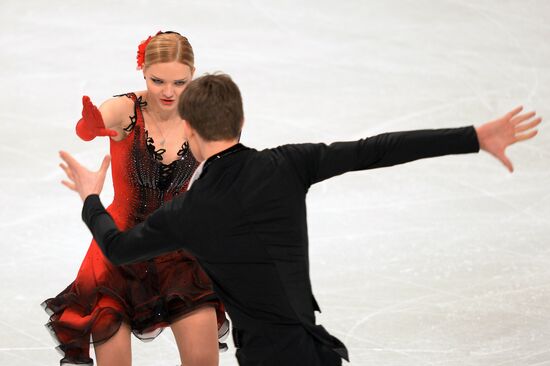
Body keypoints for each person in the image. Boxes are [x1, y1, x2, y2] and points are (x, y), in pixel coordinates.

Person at [58, 73, 541, 366]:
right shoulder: (288, 164)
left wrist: (90, 198)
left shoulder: (190, 212)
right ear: (241, 123)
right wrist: (473, 136)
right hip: (317, 354)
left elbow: (118, 248)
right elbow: (377, 150)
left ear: (188, 127)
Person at [42, 33, 228, 366]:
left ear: (193, 73)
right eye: (158, 81)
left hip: (179, 253)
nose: (168, 92)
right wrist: (92, 124)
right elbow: (89, 129)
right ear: (142, 70)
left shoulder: (202, 117)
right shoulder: (126, 109)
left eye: (180, 82)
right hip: (118, 251)